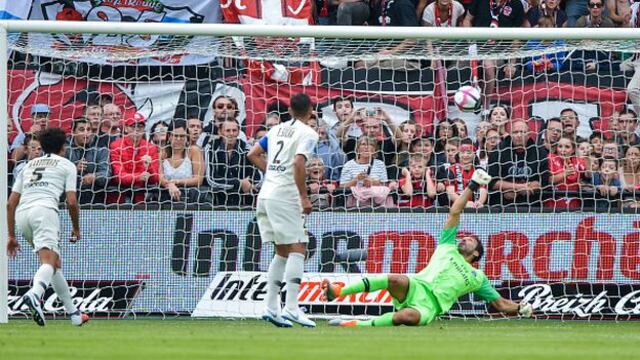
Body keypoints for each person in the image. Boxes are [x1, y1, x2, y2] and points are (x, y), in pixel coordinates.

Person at [322, 168, 533, 327]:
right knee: (395, 278)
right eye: (464, 236)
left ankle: (357, 324)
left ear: (476, 253)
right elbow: (454, 212)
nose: (464, 239)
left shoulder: (478, 277)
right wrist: (472, 186)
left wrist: (520, 308)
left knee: (407, 316)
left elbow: (500, 304)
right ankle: (338, 291)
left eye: (469, 240)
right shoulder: (447, 245)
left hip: (430, 306)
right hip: (416, 285)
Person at [247, 93, 320, 328]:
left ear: (289, 110)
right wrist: (303, 196)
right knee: (299, 247)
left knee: (282, 251)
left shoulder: (276, 129)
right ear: (311, 110)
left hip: (266, 194)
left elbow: (252, 154)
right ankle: (291, 307)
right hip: (285, 196)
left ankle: (270, 307)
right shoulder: (308, 133)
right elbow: (299, 163)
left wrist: (273, 172)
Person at [6, 127, 89, 327]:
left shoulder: (29, 165)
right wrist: (76, 228)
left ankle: (74, 314)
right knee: (49, 261)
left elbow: (10, 203)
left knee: (53, 263)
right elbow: (71, 201)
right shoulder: (67, 165)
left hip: (22, 215)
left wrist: (11, 235)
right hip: (44, 211)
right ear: (63, 146)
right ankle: (34, 294)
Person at [66, 117, 110, 204]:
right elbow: (56, 173)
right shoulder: (64, 149)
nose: (86, 133)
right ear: (73, 132)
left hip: (93, 195)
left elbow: (106, 173)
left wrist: (95, 176)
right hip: (67, 195)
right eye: (82, 130)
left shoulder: (101, 149)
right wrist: (74, 169)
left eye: (88, 130)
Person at [159, 120, 205, 202]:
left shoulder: (194, 151)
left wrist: (177, 182)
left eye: (182, 136)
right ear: (169, 136)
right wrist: (169, 184)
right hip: (167, 197)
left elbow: (198, 180)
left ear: (187, 137)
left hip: (191, 198)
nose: (179, 139)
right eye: (175, 136)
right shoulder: (162, 153)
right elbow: (160, 178)